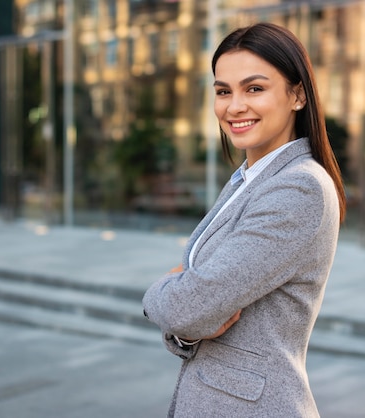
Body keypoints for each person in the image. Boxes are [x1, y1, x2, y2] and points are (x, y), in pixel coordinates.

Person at [142, 22, 346, 417]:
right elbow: (194, 314)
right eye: (223, 91)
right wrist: (186, 326)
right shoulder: (249, 178)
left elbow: (190, 304)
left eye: (254, 88)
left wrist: (158, 294)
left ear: (298, 95)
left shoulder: (297, 188)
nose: (234, 106)